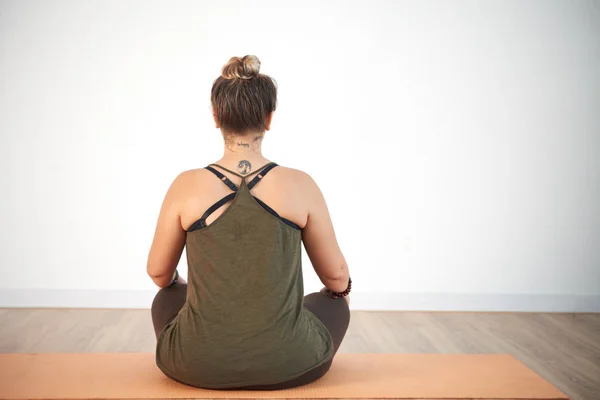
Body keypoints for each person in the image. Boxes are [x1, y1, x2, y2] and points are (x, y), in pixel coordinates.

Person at [147, 55, 352, 390]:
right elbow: (335, 276)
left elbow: (158, 273)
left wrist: (181, 285)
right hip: (291, 363)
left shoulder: (185, 185)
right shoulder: (300, 184)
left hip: (194, 364)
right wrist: (341, 292)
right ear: (269, 119)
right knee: (331, 300)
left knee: (168, 295)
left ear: (216, 117)